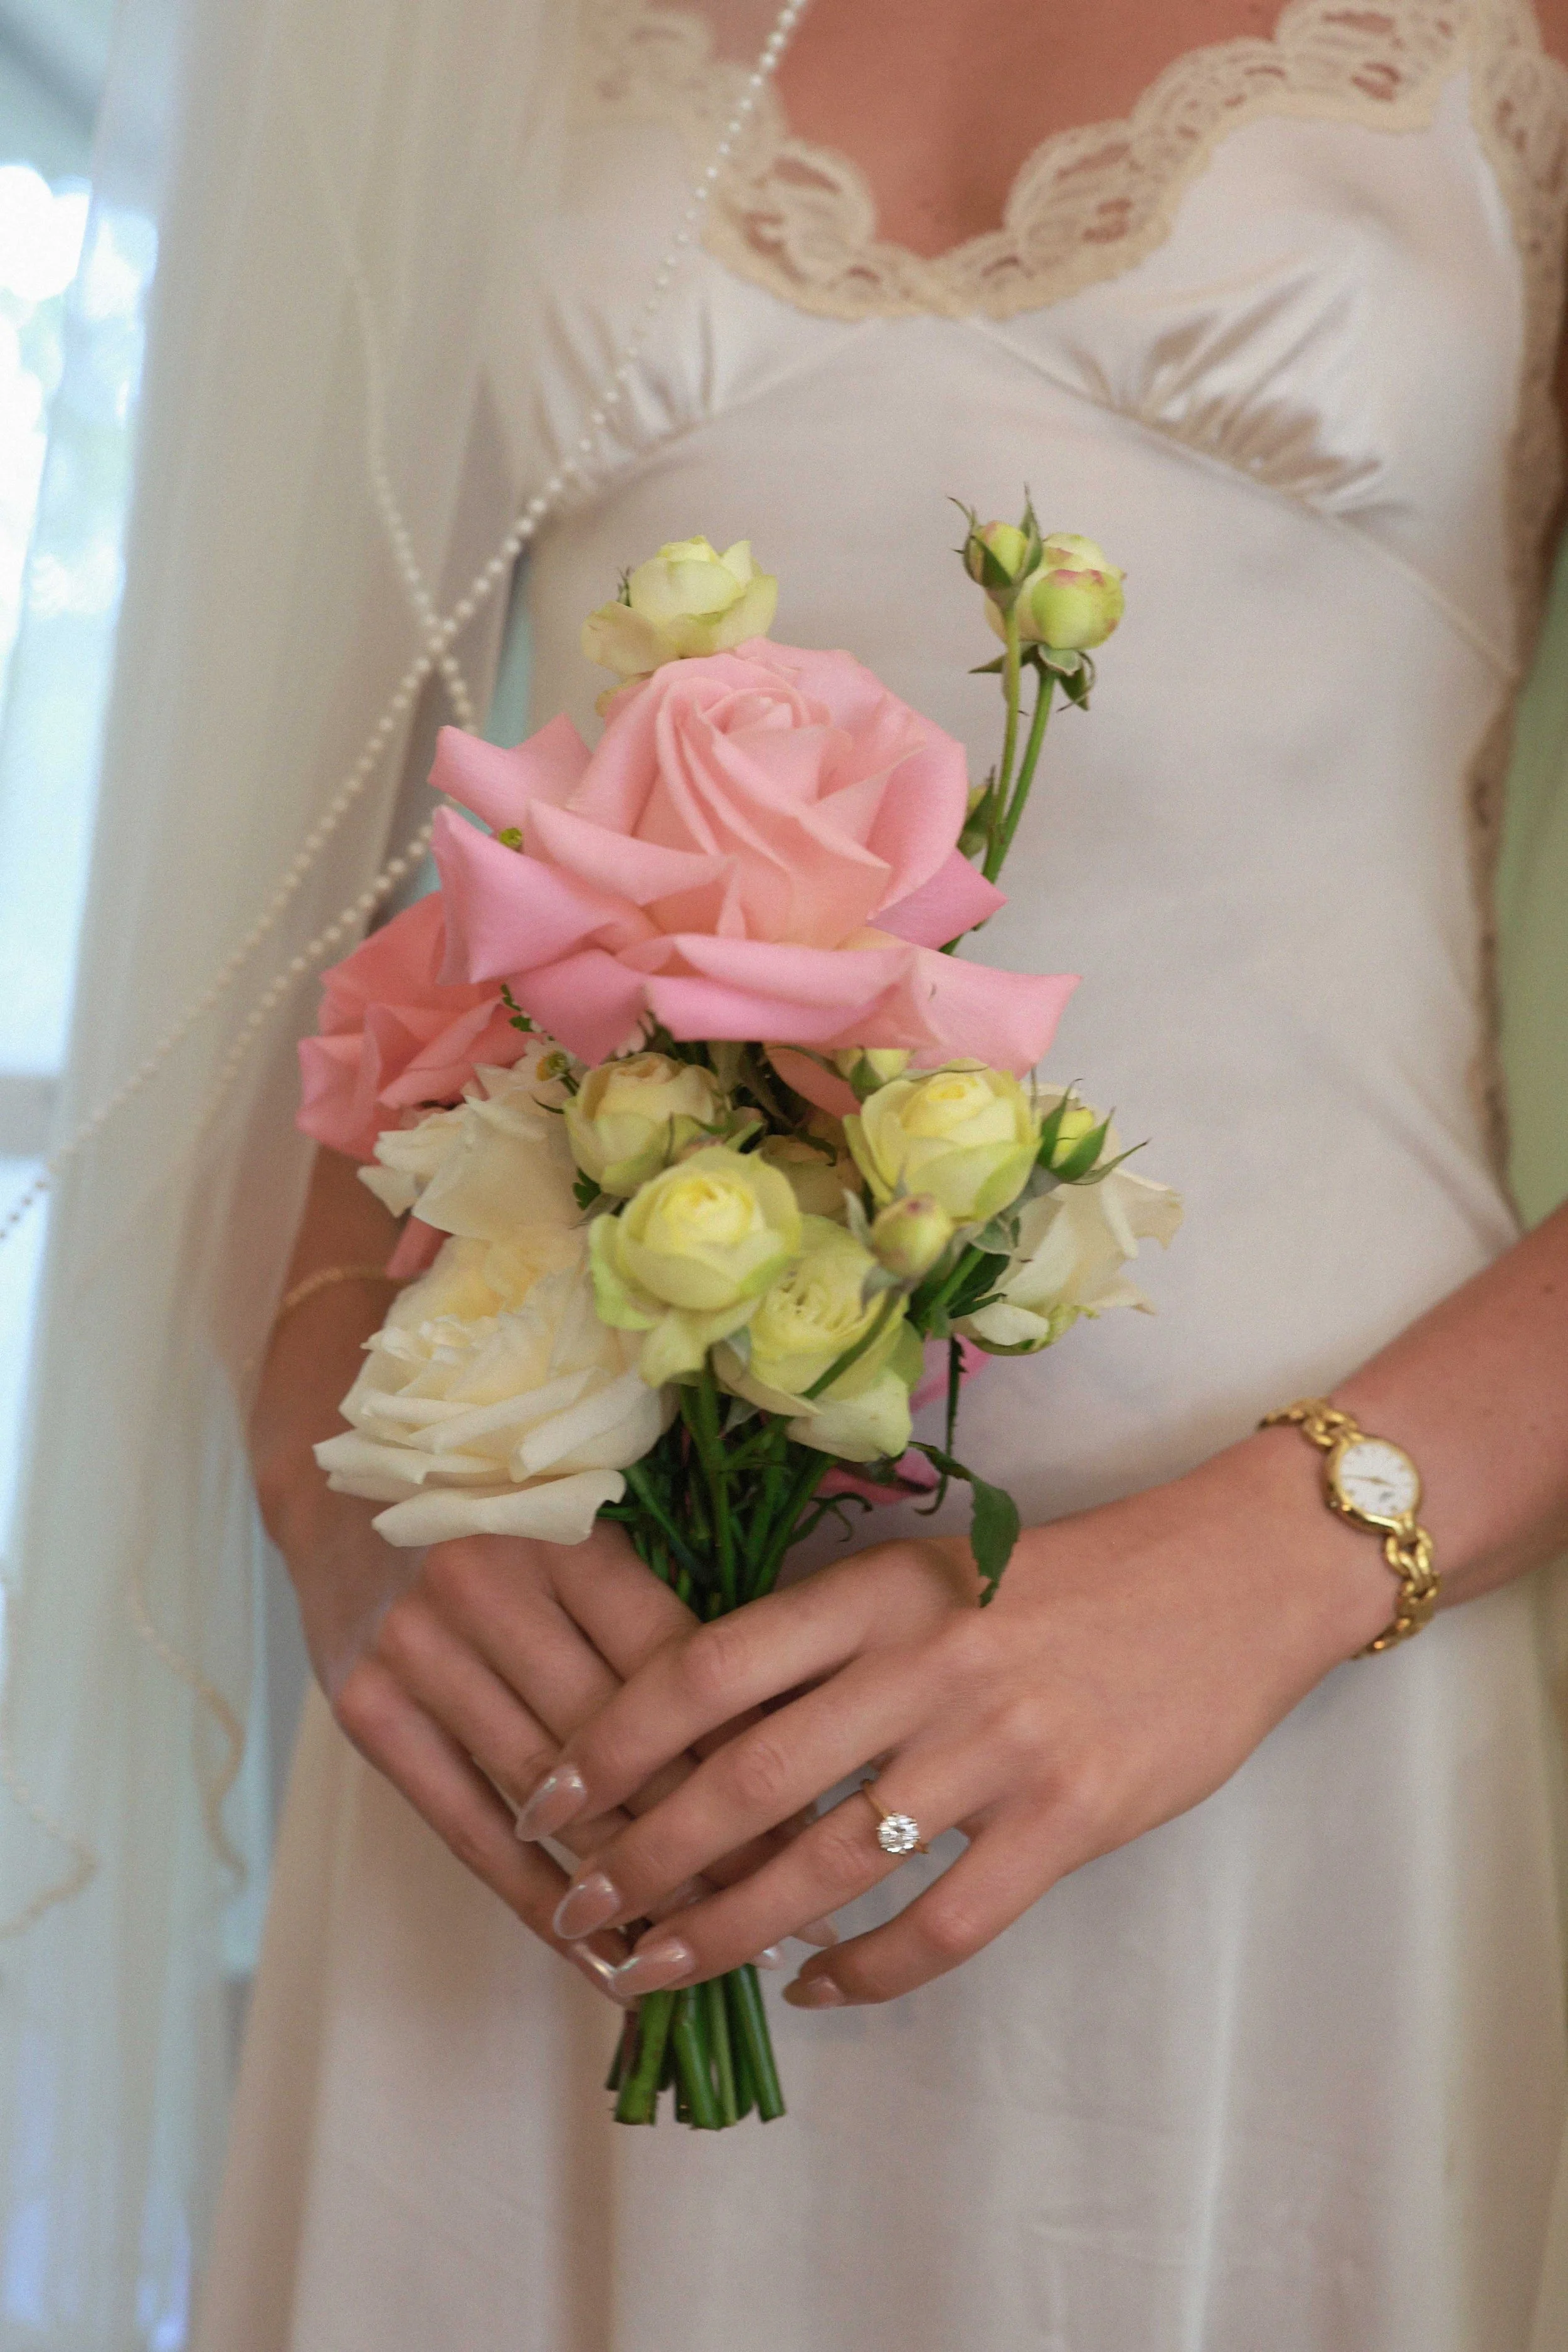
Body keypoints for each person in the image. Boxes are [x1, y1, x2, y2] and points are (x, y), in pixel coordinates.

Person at [202, 1, 1568, 2343]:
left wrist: (1279, 1561)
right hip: (561, 1705)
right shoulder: (460, 45)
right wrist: (331, 1454)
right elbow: (333, 874)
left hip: (1287, 1683)